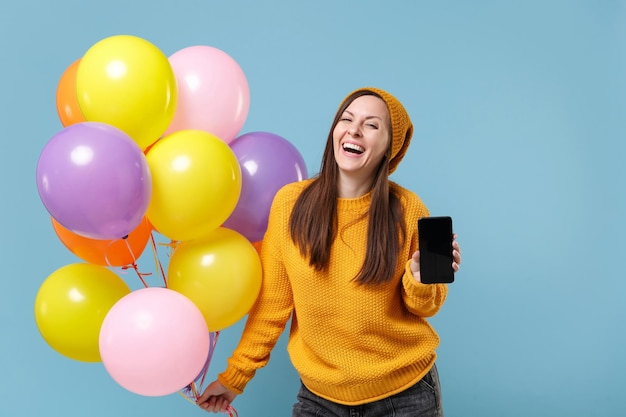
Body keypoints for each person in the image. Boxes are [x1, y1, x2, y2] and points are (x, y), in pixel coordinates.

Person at [197, 87, 462, 416]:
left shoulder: (407, 209)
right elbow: (271, 307)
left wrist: (421, 280)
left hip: (404, 393)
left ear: (388, 149)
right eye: (347, 119)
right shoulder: (290, 204)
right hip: (320, 397)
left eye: (371, 125)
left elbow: (425, 307)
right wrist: (235, 377)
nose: (354, 129)